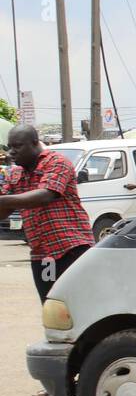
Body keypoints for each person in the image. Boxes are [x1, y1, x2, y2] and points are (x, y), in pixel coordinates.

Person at [0, 125, 95, 303]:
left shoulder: (57, 163)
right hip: (44, 256)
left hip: (72, 249)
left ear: (35, 143)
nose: (12, 152)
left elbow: (45, 195)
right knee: (51, 305)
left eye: (17, 146)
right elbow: (4, 210)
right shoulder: (16, 173)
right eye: (9, 147)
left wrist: (4, 201)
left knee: (79, 304)